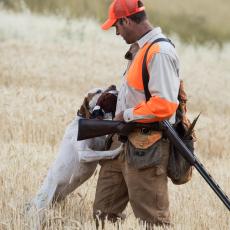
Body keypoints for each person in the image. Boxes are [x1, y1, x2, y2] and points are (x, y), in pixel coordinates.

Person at [93, 0, 180, 228]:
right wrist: (116, 100)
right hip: (120, 146)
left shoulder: (159, 52)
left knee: (153, 222)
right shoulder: (140, 50)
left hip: (146, 148)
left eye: (117, 26)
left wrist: (127, 114)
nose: (116, 33)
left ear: (127, 20)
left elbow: (164, 105)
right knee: (102, 217)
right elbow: (141, 92)